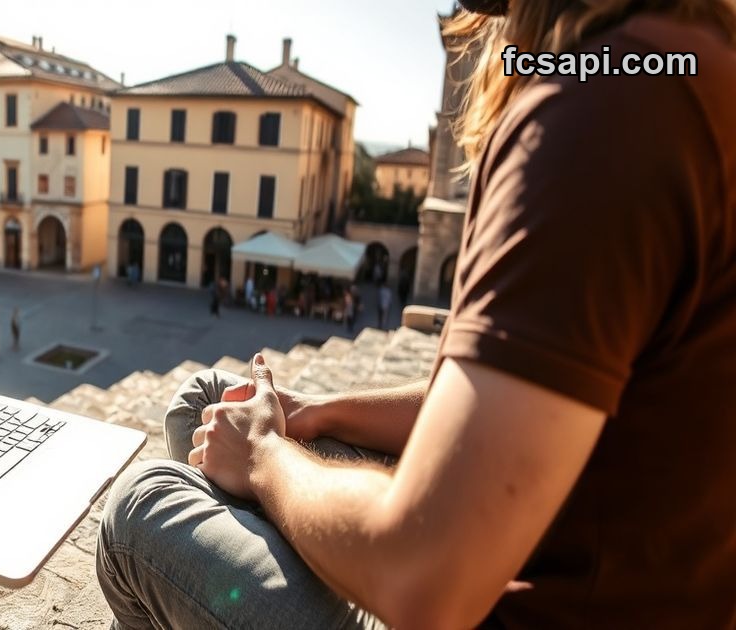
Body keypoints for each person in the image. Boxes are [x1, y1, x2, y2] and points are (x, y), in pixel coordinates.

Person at [95, 2, 736, 628]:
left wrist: (263, 453)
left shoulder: (599, 111)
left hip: (466, 597)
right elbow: (482, 399)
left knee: (138, 505)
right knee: (208, 397)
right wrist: (318, 412)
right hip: (566, 564)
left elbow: (425, 581)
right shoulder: (672, 67)